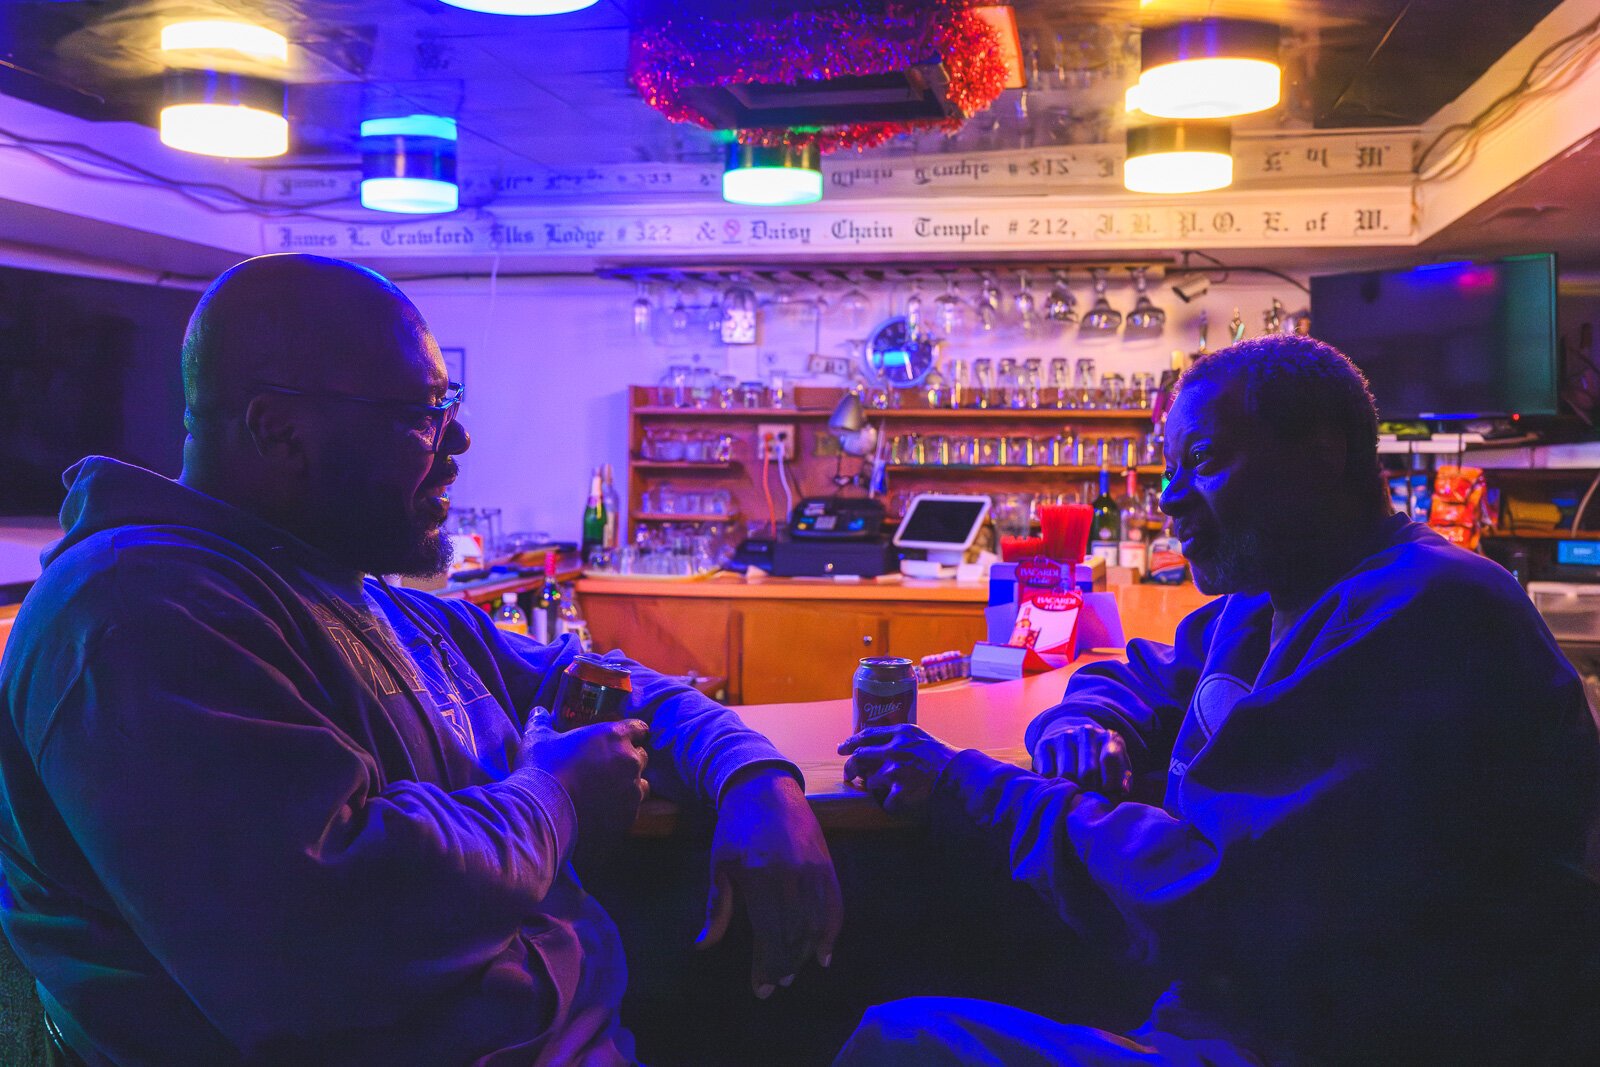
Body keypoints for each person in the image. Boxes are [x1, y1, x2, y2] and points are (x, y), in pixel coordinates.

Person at [0, 254, 842, 1064]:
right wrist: (555, 796)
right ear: (278, 429)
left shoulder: (369, 594)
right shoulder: (133, 615)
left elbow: (602, 682)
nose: (461, 439)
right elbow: (323, 933)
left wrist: (752, 776)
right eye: (422, 412)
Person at [834, 335, 1600, 1064]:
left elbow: (1216, 892)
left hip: (1336, 1042)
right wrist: (1086, 718)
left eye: (1200, 461)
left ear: (1322, 452)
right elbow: (1138, 674)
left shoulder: (1430, 607)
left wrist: (969, 785)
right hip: (1239, 1010)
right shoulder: (1273, 592)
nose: (1169, 498)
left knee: (901, 1040)